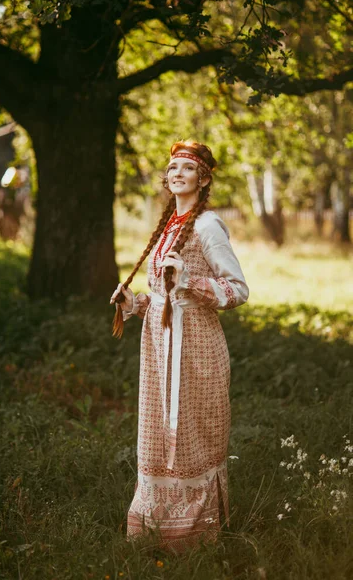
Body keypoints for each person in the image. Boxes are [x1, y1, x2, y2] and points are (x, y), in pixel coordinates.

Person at [110, 140, 249, 552]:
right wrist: (133, 304)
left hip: (196, 346)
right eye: (171, 168)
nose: (176, 174)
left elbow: (238, 290)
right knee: (158, 432)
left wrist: (190, 282)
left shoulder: (208, 226)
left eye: (186, 169)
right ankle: (155, 531)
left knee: (192, 434)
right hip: (158, 344)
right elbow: (160, 291)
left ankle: (195, 537)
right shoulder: (170, 223)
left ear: (202, 179)